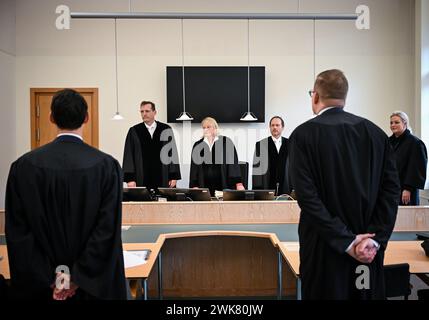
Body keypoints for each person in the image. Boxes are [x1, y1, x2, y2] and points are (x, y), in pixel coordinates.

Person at [289, 69, 400, 300]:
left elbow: (308, 198)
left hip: (323, 251)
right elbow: (391, 191)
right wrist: (374, 240)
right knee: (364, 293)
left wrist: (346, 242)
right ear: (344, 98)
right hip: (366, 255)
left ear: (316, 96)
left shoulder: (302, 136)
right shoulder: (377, 135)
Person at [5, 89, 126, 300]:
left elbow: (19, 231)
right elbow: (107, 230)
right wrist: (77, 278)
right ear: (86, 118)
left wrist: (52, 278)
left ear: (51, 118)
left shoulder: (23, 167)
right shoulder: (107, 167)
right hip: (91, 288)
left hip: (43, 288)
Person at [123, 101, 181, 189]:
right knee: (142, 200)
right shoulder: (134, 131)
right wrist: (130, 178)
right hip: (141, 177)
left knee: (163, 199)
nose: (144, 114)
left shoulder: (165, 129)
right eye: (142, 111)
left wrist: (173, 176)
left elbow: (172, 153)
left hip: (162, 176)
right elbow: (128, 155)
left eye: (147, 111)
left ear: (154, 112)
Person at [189, 117, 245, 196]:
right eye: (204, 127)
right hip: (203, 185)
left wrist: (238, 183)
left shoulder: (226, 142)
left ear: (215, 128)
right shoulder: (198, 145)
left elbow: (233, 164)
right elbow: (194, 168)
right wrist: (194, 185)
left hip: (223, 184)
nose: (206, 129)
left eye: (208, 127)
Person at [389, 111, 427, 205]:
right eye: (391, 123)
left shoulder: (415, 143)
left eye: (396, 122)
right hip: (390, 190)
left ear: (405, 123)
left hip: (406, 192)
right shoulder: (388, 142)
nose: (393, 125)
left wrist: (408, 188)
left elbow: (417, 169)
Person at [252, 116, 291, 195]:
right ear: (269, 127)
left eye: (277, 125)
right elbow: (257, 169)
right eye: (272, 125)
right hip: (267, 187)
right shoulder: (261, 144)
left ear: (282, 127)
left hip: (286, 188)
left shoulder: (290, 144)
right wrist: (257, 190)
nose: (275, 127)